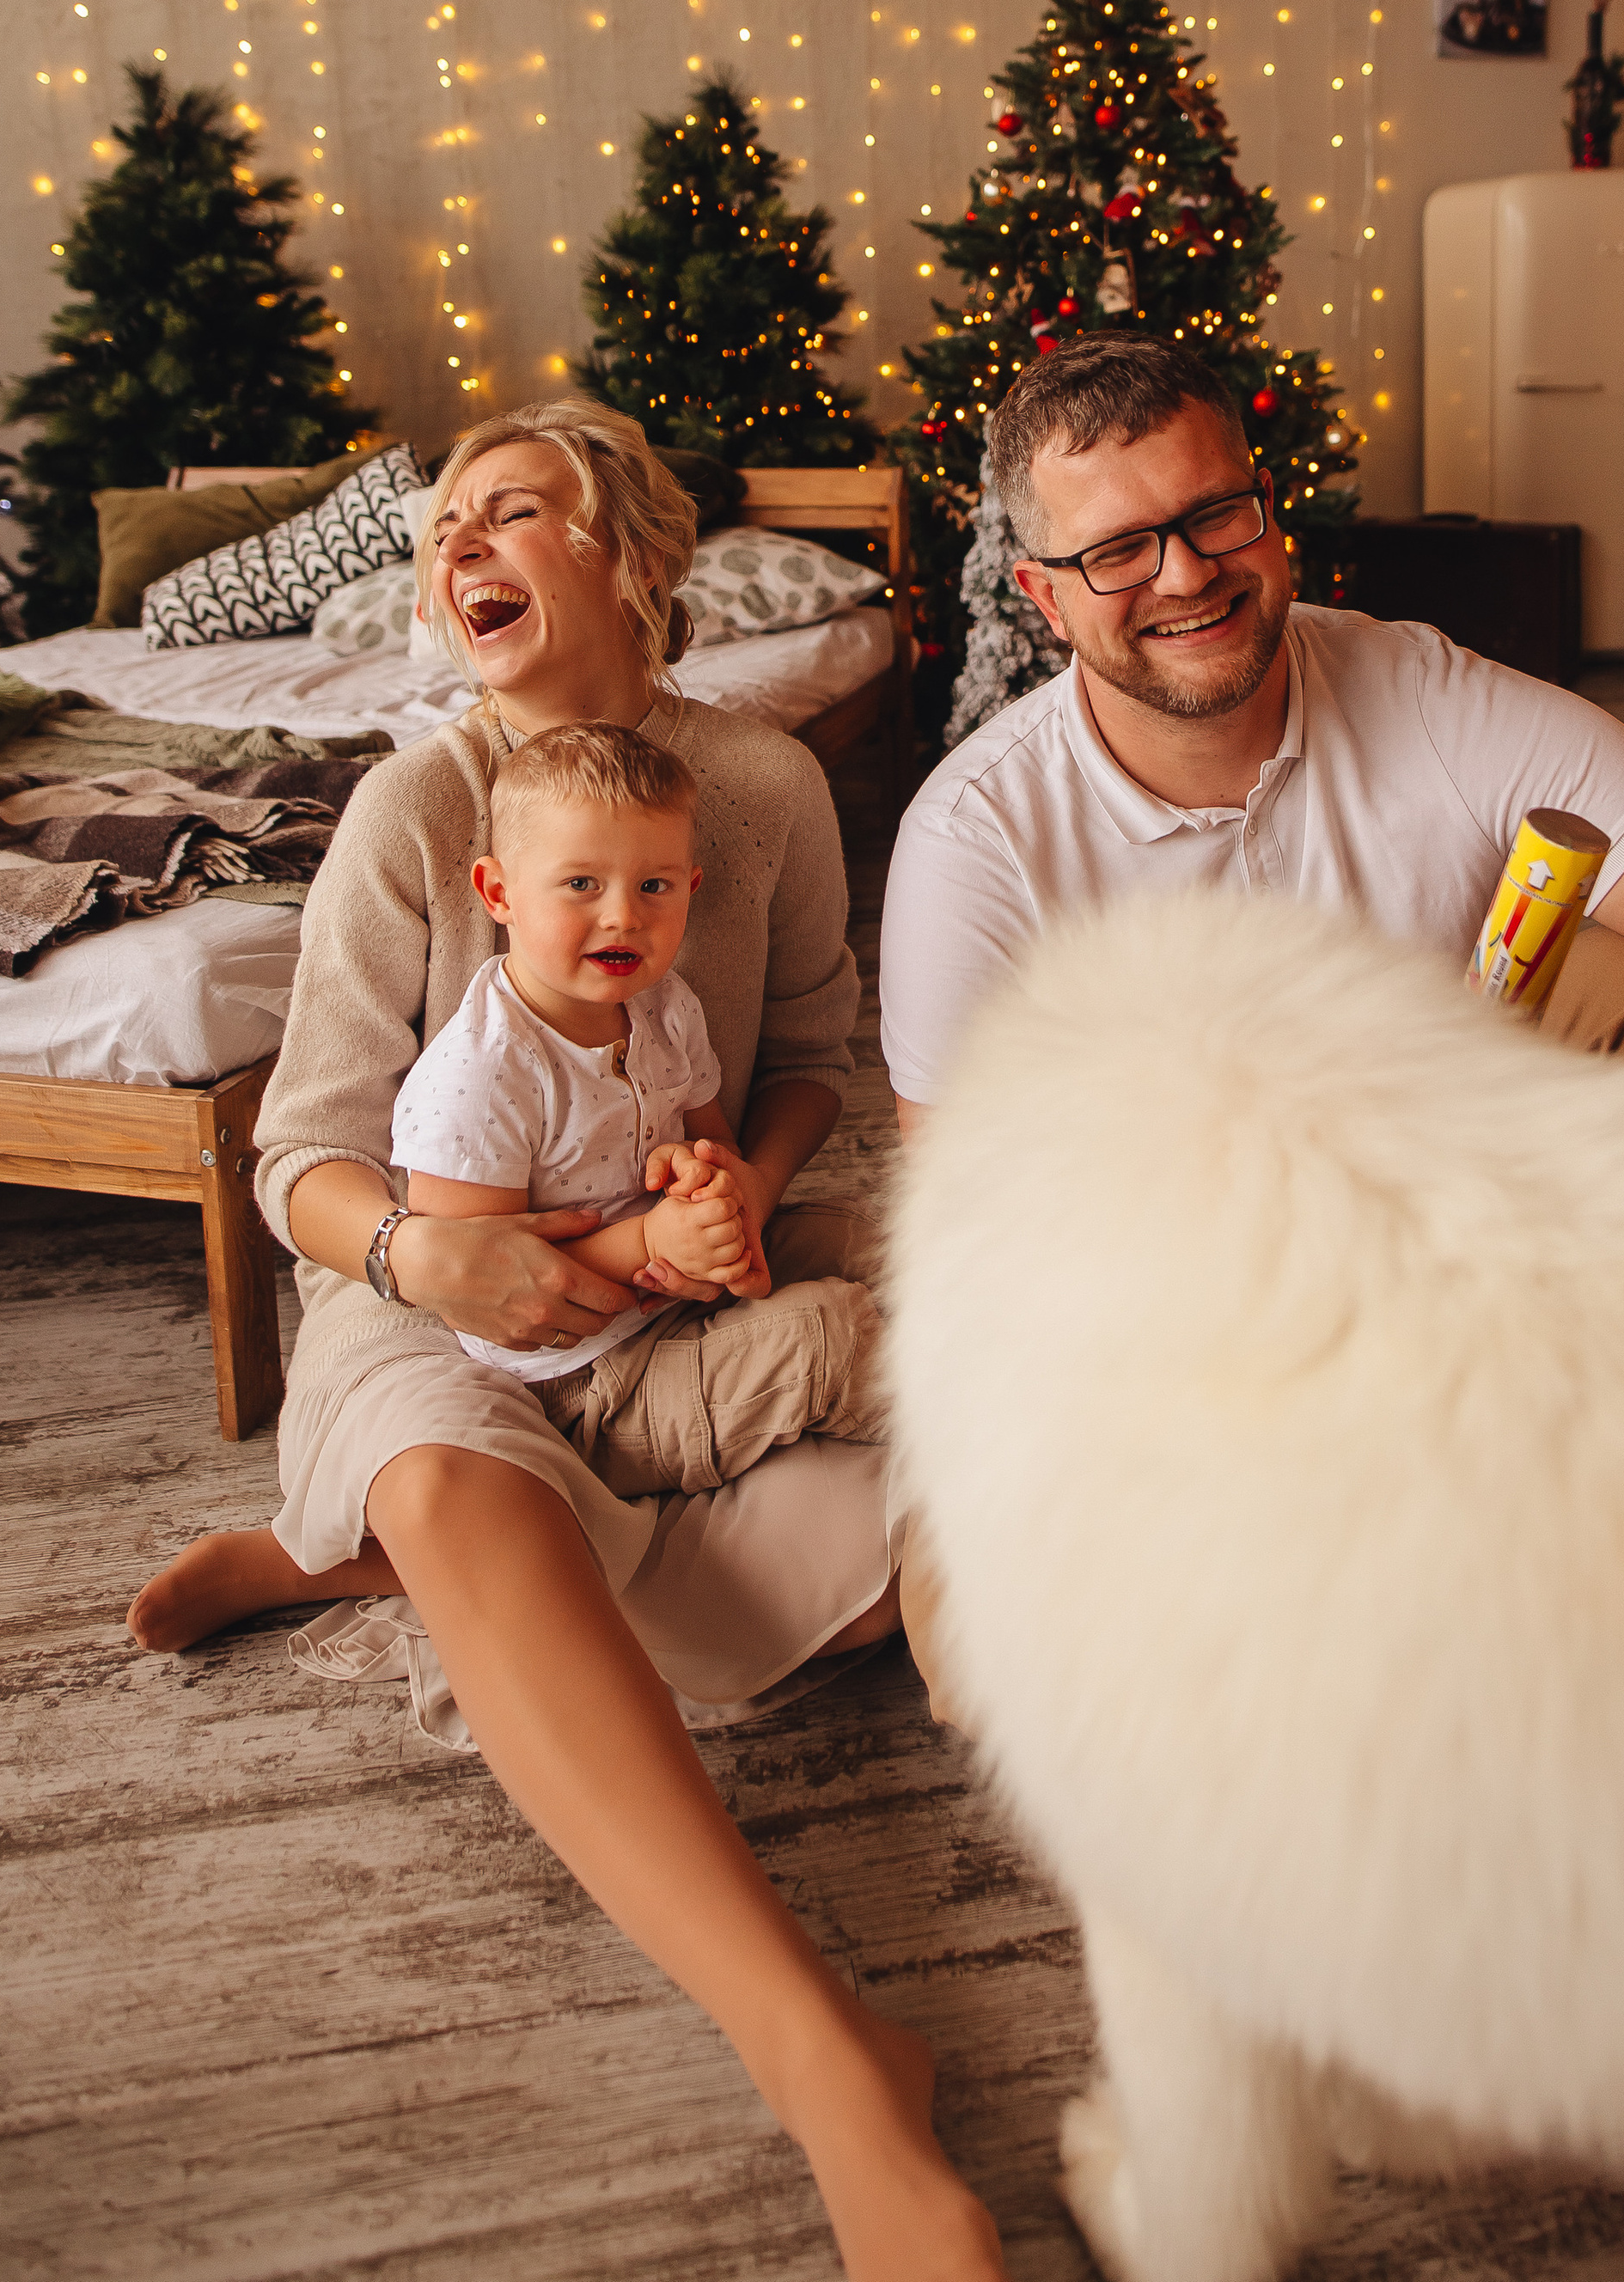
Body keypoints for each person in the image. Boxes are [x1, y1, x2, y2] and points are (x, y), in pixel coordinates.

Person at [130, 399, 1003, 2282]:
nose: (457, 545)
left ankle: (358, 1566)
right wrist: (428, 1261)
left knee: (959, 1432)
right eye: (442, 527)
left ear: (629, 555)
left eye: (508, 510)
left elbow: (810, 1061)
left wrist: (741, 1186)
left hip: (679, 1275)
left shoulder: (762, 788)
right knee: (466, 1479)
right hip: (430, 1293)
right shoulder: (416, 815)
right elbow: (300, 1161)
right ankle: (830, 2063)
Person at [882, 336, 1624, 1117]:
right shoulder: (974, 839)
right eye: (1117, 552)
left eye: (1216, 513)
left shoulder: (1431, 699)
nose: (1185, 575)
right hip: (1187, 1264)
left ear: (1267, 507)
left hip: (1473, 1193)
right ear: (1046, 600)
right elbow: (962, 1211)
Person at [395, 718, 881, 1486]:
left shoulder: (666, 1006)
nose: (623, 915)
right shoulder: (482, 1073)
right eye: (581, 885)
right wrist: (654, 1240)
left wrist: (712, 1192)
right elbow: (481, 1286)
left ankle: (1011, 1339)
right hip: (581, 1380)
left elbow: (715, 1143)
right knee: (831, 1334)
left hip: (682, 1300)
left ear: (690, 887)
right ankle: (998, 1426)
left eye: (653, 886)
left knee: (874, 1241)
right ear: (499, 893)